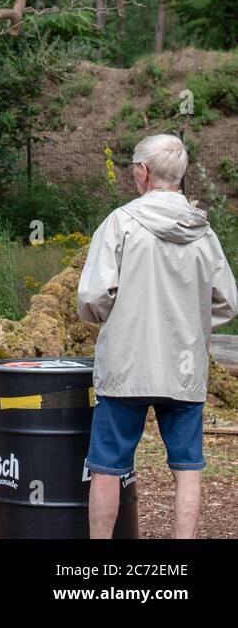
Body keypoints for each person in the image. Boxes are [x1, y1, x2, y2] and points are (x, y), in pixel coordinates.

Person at [78, 133, 237, 538]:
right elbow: (227, 302)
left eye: (134, 166)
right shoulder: (204, 233)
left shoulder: (120, 223)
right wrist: (188, 322)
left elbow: (94, 294)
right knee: (188, 466)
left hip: (127, 365)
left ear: (143, 172)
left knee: (107, 466)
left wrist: (116, 319)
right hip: (184, 368)